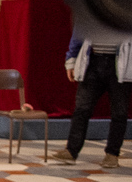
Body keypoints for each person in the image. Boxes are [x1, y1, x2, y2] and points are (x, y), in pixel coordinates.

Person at [52, 32, 131, 168]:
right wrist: (71, 59)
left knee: (119, 112)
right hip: (93, 62)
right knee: (82, 108)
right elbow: (79, 31)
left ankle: (112, 155)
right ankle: (71, 151)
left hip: (120, 63)